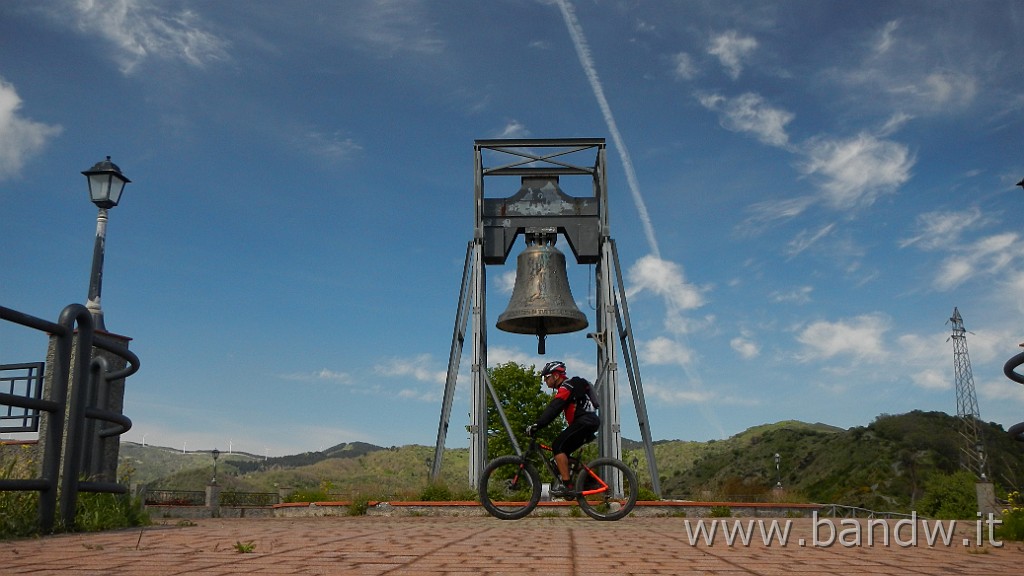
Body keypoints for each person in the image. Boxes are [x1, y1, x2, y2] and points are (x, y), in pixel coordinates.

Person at [525, 360, 600, 498]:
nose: (545, 381)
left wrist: (538, 425)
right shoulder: (568, 387)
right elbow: (557, 410)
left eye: (546, 377)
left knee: (557, 445)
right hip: (588, 422)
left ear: (556, 376)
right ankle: (590, 480)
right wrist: (542, 423)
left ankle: (567, 486)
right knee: (561, 455)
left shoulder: (567, 386)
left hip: (585, 422)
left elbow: (555, 407)